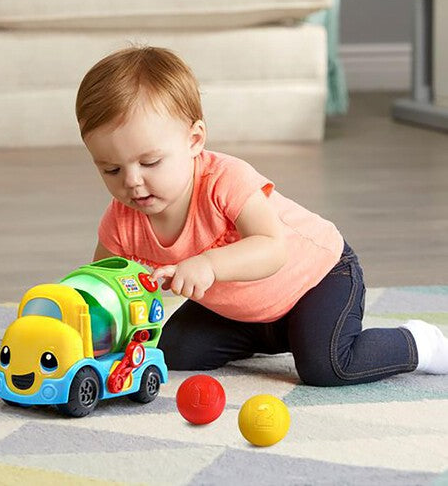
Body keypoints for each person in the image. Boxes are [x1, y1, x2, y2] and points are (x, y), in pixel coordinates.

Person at [75, 46, 448, 386]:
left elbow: (272, 248)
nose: (132, 182)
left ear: (194, 140)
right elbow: (100, 286)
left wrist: (208, 265)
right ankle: (280, 333)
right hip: (245, 309)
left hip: (319, 278)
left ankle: (418, 342)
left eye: (150, 162)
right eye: (111, 170)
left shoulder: (225, 180)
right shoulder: (121, 220)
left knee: (329, 366)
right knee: (172, 351)